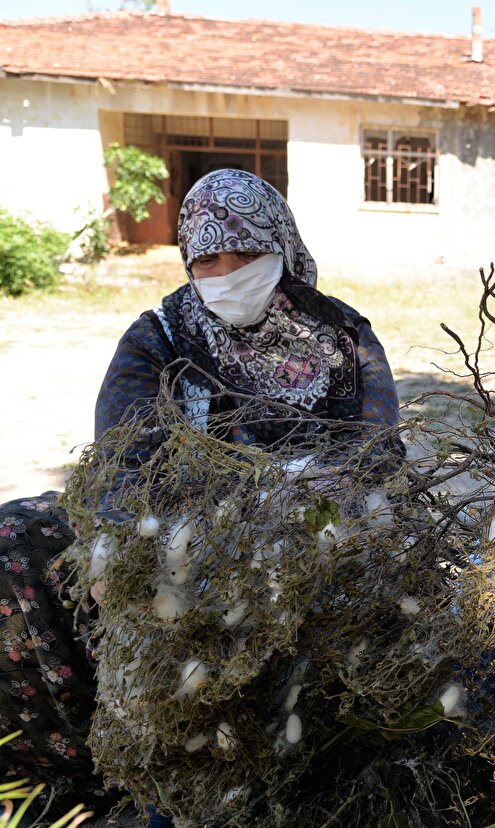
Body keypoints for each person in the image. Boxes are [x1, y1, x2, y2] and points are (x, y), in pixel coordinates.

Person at [0, 169, 401, 818]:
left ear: (281, 246)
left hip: (305, 540)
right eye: (206, 259)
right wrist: (116, 548)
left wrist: (296, 501)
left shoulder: (343, 341)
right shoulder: (159, 338)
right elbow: (120, 460)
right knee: (14, 538)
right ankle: (81, 758)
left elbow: (378, 458)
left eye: (244, 253)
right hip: (171, 537)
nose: (226, 273)